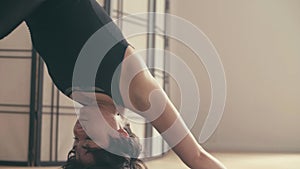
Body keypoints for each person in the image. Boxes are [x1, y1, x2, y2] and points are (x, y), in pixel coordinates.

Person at [0, 0, 227, 168]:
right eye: (89, 139)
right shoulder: (137, 89)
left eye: (76, 141)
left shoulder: (71, 90)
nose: (78, 131)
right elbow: (196, 157)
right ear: (121, 134)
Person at [63, 106, 147, 169]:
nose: (77, 131)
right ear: (119, 135)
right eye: (90, 138)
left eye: (76, 139)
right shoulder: (137, 91)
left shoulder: (71, 88)